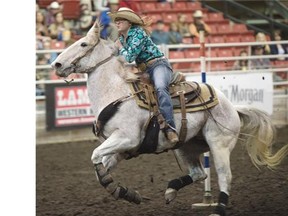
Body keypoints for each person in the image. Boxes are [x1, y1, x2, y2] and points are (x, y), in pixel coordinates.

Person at [108, 7, 179, 144]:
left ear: (129, 22)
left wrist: (120, 47)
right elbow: (116, 56)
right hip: (143, 69)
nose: (117, 23)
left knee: (160, 88)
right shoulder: (121, 38)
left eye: (120, 20)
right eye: (116, 20)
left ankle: (170, 128)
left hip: (158, 65)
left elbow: (129, 57)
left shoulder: (138, 33)